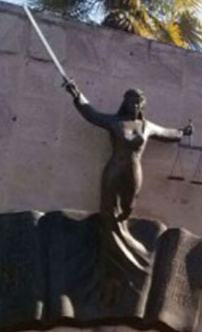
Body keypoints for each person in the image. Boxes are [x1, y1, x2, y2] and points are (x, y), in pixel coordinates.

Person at [64, 81, 192, 305]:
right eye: (131, 101)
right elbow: (91, 114)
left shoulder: (146, 126)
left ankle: (129, 258)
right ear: (125, 103)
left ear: (142, 105)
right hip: (114, 170)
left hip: (134, 172)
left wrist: (183, 132)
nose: (134, 105)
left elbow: (166, 133)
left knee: (126, 212)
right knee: (108, 215)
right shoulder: (114, 121)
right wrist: (77, 95)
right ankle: (108, 268)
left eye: (138, 102)